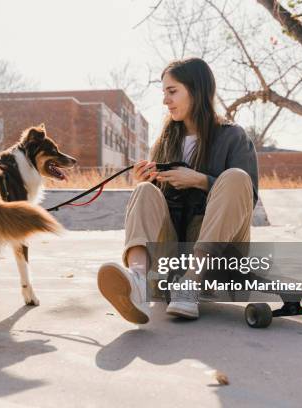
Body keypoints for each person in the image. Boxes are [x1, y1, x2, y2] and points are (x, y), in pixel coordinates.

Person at [97, 57, 259, 324]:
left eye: (172, 92)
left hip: (219, 257)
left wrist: (200, 180)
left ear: (197, 90)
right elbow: (156, 205)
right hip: (172, 258)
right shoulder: (165, 141)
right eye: (164, 93)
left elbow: (246, 197)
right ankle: (138, 282)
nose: (165, 100)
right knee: (144, 191)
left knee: (236, 177)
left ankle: (191, 284)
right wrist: (147, 181)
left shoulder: (233, 137)